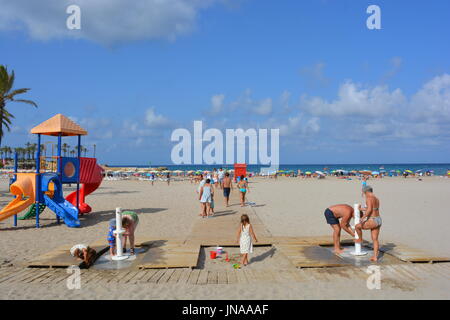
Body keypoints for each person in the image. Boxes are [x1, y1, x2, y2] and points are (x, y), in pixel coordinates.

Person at [355, 185, 382, 262]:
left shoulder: (369, 198)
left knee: (357, 227)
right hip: (378, 219)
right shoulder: (376, 198)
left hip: (372, 220)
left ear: (365, 192)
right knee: (375, 239)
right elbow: (373, 208)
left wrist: (362, 218)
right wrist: (361, 209)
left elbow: (369, 210)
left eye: (363, 193)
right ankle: (375, 257)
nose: (363, 194)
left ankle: (360, 239)